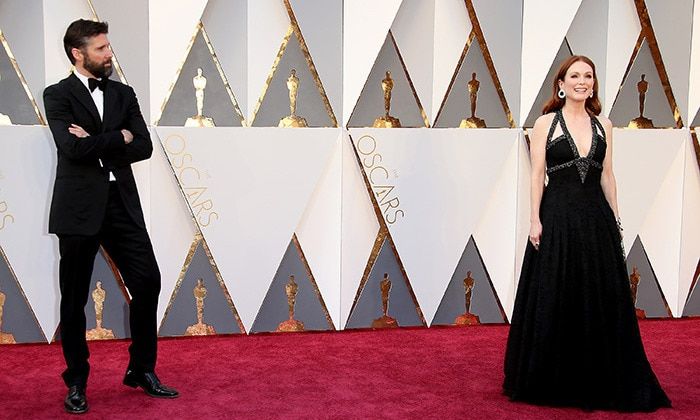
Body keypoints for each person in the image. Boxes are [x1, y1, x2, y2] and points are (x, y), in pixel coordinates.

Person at [502, 56, 671, 412]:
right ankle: (551, 375)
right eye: (575, 76)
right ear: (561, 84)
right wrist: (535, 220)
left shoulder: (604, 125)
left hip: (596, 218)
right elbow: (536, 176)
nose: (582, 81)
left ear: (593, 84)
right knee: (556, 289)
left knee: (598, 293)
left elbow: (607, 175)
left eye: (588, 76)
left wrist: (617, 219)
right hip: (558, 216)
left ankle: (599, 372)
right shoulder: (544, 123)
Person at [44, 19, 178, 414]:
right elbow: (71, 148)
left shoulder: (123, 93)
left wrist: (101, 142)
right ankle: (77, 382)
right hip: (78, 208)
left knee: (148, 282)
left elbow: (144, 146)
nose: (109, 54)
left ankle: (141, 368)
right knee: (74, 299)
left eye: (108, 46)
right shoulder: (57, 95)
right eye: (101, 48)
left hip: (121, 203)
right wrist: (117, 138)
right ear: (78, 53)